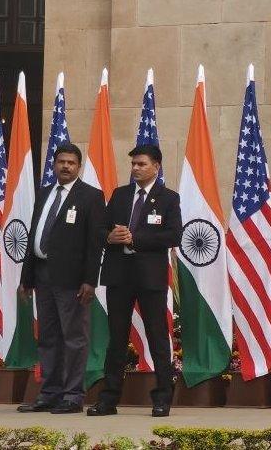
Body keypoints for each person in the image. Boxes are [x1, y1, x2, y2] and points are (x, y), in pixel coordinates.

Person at [87, 145, 182, 418]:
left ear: (156, 167)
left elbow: (174, 235)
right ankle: (108, 399)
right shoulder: (120, 194)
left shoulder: (168, 198)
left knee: (156, 336)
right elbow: (100, 228)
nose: (136, 169)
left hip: (149, 277)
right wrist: (110, 237)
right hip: (119, 275)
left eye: (141, 164)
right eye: (134, 164)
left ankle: (162, 398)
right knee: (116, 338)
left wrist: (136, 239)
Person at [16, 143, 106, 414]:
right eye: (61, 162)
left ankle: (73, 396)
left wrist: (90, 280)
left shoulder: (91, 196)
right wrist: (26, 278)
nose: (65, 166)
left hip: (73, 281)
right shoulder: (44, 193)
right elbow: (35, 236)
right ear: (53, 165)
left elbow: (95, 243)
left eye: (71, 163)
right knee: (48, 337)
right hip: (43, 276)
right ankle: (49, 393)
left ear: (79, 167)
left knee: (74, 338)